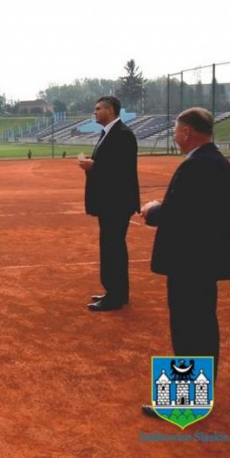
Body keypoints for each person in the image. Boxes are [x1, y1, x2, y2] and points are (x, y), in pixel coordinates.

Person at [139, 108, 230, 419]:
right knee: (203, 325)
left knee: (188, 327)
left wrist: (154, 210)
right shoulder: (218, 163)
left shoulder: (197, 166)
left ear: (187, 133)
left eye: (177, 130)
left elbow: (180, 215)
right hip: (204, 260)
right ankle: (198, 395)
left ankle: (185, 401)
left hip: (189, 261)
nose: (174, 135)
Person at [77, 96, 140, 311]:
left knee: (112, 248)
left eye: (98, 108)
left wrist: (94, 166)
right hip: (111, 203)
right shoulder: (110, 133)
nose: (94, 112)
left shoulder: (122, 134)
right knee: (113, 247)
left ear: (110, 110)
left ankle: (114, 296)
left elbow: (122, 170)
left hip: (116, 203)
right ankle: (117, 292)